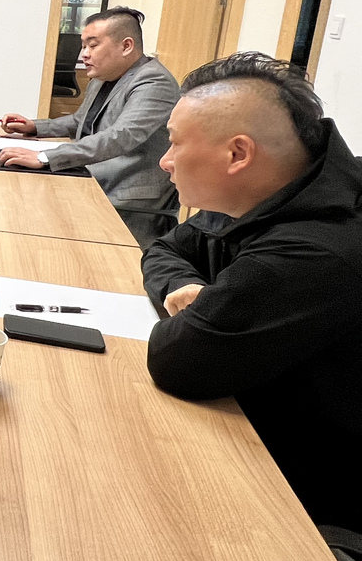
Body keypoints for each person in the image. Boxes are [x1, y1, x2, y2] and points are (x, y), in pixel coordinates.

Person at [143, 52, 362, 535]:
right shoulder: (265, 188)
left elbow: (179, 361)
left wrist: (207, 312)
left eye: (175, 143)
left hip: (313, 503)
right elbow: (166, 247)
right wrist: (183, 286)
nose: (165, 161)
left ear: (237, 155)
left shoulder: (318, 250)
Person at [0, 6, 179, 248]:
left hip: (126, 198)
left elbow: (120, 136)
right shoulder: (103, 76)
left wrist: (45, 156)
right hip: (90, 176)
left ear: (126, 46)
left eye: (93, 46)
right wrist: (34, 127)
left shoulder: (154, 82)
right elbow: (79, 121)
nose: (84, 54)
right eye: (83, 46)